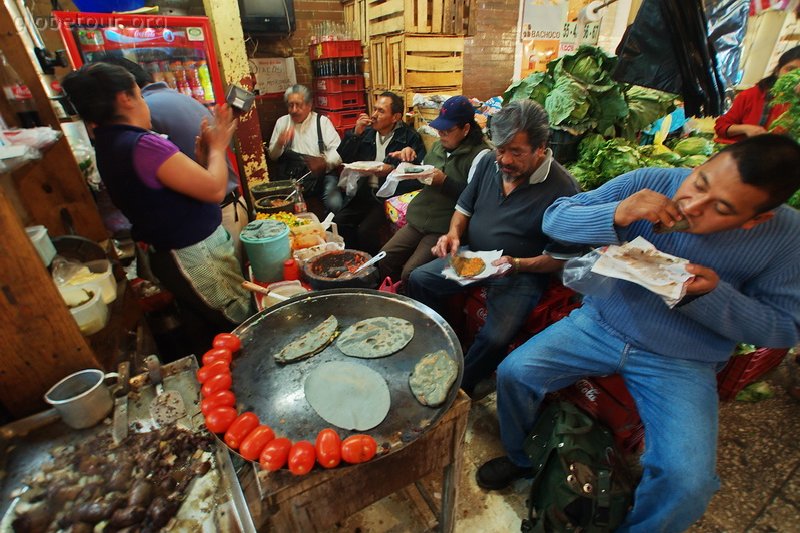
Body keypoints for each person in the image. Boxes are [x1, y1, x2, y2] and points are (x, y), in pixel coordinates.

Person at [478, 134, 800, 532]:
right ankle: (521, 456)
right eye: (699, 183)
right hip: (601, 323)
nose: (691, 206)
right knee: (515, 372)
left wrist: (711, 296)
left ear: (755, 219)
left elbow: (784, 327)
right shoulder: (655, 181)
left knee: (687, 482)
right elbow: (555, 218)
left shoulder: (787, 238)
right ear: (703, 165)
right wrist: (617, 213)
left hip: (683, 359)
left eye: (721, 208)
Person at [61, 63, 253, 355]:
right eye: (138, 94)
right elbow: (215, 189)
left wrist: (203, 160)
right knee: (239, 323)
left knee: (208, 328)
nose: (144, 104)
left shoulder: (111, 143)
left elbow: (185, 189)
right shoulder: (141, 144)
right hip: (193, 255)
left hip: (177, 253)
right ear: (125, 98)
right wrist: (218, 147)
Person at [406, 100, 581, 397]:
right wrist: (453, 235)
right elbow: (463, 207)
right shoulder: (489, 162)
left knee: (497, 336)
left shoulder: (563, 189)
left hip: (521, 271)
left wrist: (518, 264)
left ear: (541, 147)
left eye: (516, 152)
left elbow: (558, 258)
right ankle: (444, 346)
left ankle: (460, 386)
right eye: (501, 149)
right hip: (476, 256)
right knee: (419, 280)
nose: (505, 160)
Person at [98, 56, 249, 262]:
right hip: (229, 208)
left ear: (126, 96)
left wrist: (215, 148)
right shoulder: (180, 97)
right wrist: (207, 157)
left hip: (212, 220)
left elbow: (213, 188)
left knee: (233, 287)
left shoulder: (140, 131)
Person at [378, 95, 491, 284]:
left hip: (443, 227)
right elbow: (424, 173)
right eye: (439, 129)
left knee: (410, 273)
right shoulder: (438, 146)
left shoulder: (480, 155)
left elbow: (475, 199)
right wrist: (411, 160)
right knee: (384, 257)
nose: (441, 134)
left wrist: (444, 181)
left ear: (465, 129)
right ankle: (393, 293)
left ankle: (413, 303)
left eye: (447, 130)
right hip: (418, 219)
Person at [335, 91, 427, 254]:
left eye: (381, 111)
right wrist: (355, 134)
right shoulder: (367, 133)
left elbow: (418, 175)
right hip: (364, 191)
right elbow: (343, 157)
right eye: (375, 109)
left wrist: (392, 169)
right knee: (339, 222)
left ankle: (372, 268)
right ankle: (352, 259)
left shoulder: (409, 138)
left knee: (365, 231)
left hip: (387, 196)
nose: (374, 115)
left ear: (396, 117)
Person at [267, 84, 344, 214]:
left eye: (299, 105)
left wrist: (324, 161)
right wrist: (279, 143)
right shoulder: (282, 122)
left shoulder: (322, 122)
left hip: (321, 177)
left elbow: (338, 151)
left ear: (309, 106)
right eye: (290, 105)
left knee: (335, 204)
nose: (294, 110)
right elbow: (273, 156)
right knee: (280, 207)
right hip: (291, 178)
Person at [714, 46, 800, 144]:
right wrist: (745, 128)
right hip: (745, 152)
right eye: (790, 69)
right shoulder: (753, 94)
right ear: (777, 71)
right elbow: (721, 127)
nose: (796, 76)